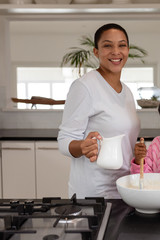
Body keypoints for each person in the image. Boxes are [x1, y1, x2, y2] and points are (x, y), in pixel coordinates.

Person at [58, 23, 140, 199]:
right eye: (107, 45)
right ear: (96, 52)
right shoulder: (85, 86)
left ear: (128, 50)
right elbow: (64, 140)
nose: (116, 51)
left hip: (124, 188)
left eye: (122, 45)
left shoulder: (127, 92)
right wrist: (81, 146)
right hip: (94, 193)